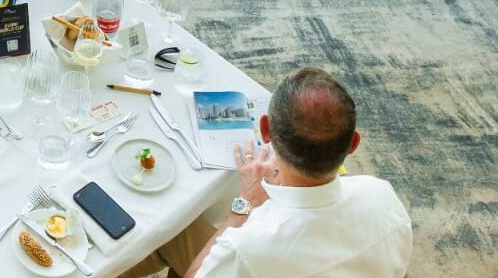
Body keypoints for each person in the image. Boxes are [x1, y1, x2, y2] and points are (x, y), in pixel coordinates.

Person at [168, 68, 411, 278]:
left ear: (265, 130)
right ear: (353, 144)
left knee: (178, 229)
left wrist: (245, 204)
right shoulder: (383, 197)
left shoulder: (248, 246)